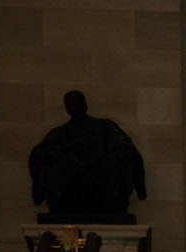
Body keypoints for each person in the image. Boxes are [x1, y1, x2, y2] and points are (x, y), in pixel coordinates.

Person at [28, 90, 146, 221]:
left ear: (85, 105)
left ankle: (109, 204)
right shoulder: (59, 133)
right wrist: (61, 155)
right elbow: (39, 153)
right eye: (71, 104)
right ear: (67, 108)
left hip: (101, 169)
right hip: (70, 174)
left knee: (109, 164)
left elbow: (124, 148)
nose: (74, 107)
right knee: (61, 165)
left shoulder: (105, 126)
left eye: (77, 103)